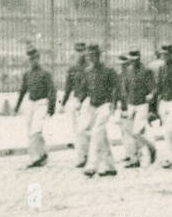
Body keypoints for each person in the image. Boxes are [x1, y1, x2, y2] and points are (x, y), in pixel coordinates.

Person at [80, 44, 120, 177]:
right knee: (99, 135)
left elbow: (116, 88)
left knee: (97, 132)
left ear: (99, 56)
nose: (92, 58)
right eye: (90, 56)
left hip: (105, 105)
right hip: (93, 106)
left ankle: (92, 165)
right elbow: (84, 89)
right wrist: (80, 102)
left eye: (94, 55)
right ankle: (110, 166)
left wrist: (114, 104)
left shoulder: (108, 71)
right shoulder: (88, 71)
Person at [15, 46, 55, 168]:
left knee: (36, 130)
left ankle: (35, 158)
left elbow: (52, 90)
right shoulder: (27, 74)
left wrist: (51, 107)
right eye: (31, 59)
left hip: (42, 103)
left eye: (35, 58)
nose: (33, 61)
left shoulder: (45, 73)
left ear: (39, 58)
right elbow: (23, 90)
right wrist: (17, 105)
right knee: (30, 130)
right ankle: (42, 154)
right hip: (31, 104)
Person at [118, 48, 157, 168]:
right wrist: (123, 105)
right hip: (131, 104)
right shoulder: (128, 71)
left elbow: (154, 88)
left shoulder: (146, 71)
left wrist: (151, 95)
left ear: (140, 58)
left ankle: (151, 148)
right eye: (131, 60)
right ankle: (134, 158)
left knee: (137, 131)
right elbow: (125, 88)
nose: (133, 62)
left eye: (136, 59)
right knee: (128, 132)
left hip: (142, 104)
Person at [61, 41, 87, 151]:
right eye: (77, 51)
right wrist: (63, 103)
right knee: (76, 125)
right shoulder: (72, 69)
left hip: (88, 100)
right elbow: (68, 87)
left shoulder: (90, 67)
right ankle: (80, 147)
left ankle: (85, 147)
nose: (80, 54)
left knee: (85, 125)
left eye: (82, 51)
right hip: (77, 99)